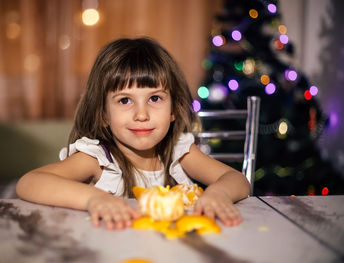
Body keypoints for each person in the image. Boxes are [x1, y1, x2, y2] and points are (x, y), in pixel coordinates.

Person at [16, 38, 250, 230]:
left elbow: (237, 180)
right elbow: (30, 182)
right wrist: (93, 198)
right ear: (103, 114)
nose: (141, 114)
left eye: (155, 98)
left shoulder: (180, 152)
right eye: (125, 100)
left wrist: (218, 193)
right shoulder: (99, 159)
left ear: (173, 111)